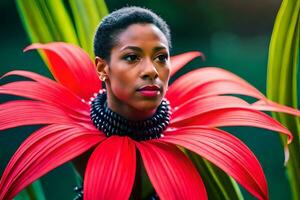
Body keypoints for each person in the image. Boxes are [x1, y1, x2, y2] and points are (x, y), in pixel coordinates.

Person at [0, 6, 299, 200]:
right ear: (102, 68)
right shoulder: (71, 117)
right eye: (132, 57)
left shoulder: (191, 106)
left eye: (160, 57)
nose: (151, 71)